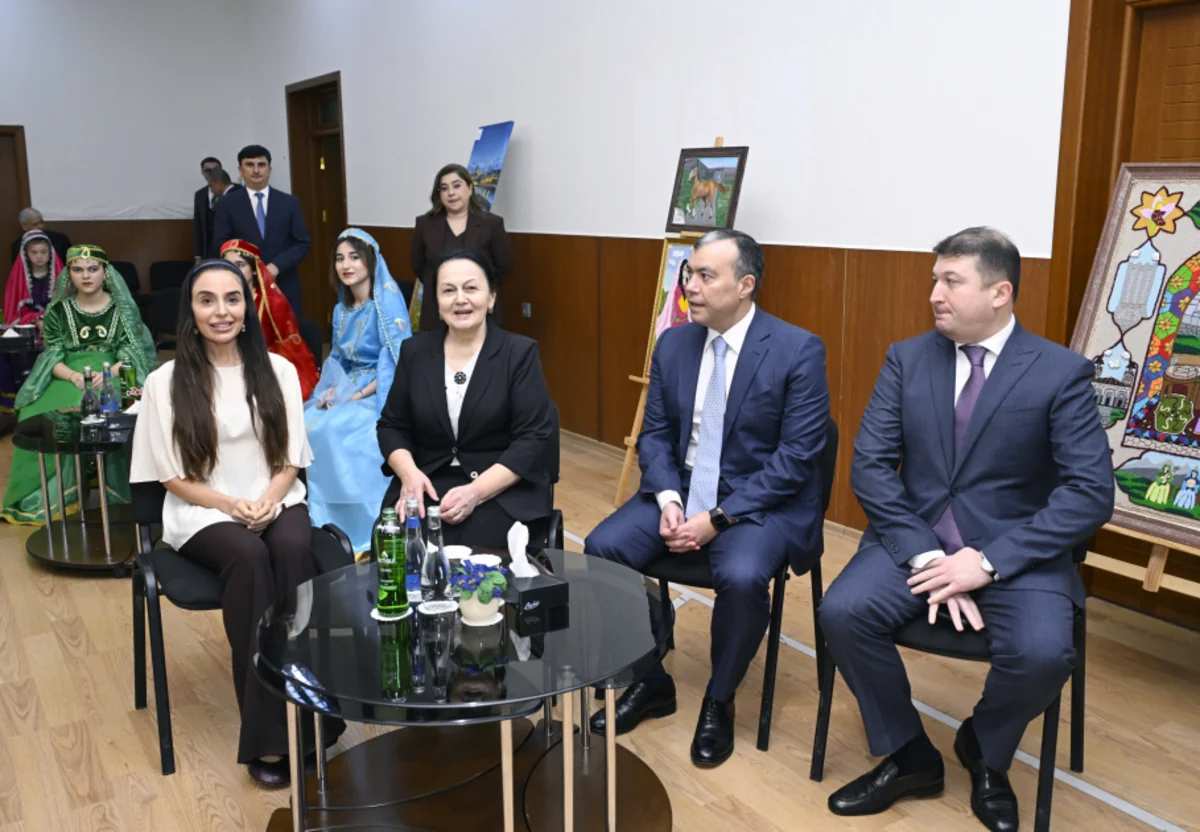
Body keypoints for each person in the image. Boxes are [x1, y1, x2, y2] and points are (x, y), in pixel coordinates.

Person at [819, 227, 1114, 832]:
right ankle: (910, 755)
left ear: (1000, 292)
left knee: (1044, 654)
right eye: (935, 279)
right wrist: (926, 555)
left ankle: (984, 747)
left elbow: (1090, 494)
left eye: (951, 281)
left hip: (1015, 553)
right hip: (915, 541)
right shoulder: (907, 359)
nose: (934, 293)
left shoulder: (1060, 372)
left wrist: (985, 561)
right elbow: (870, 467)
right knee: (842, 613)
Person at [584, 229, 830, 767]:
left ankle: (720, 697)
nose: (689, 287)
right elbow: (654, 434)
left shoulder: (797, 349)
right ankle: (649, 678)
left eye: (704, 276)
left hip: (757, 501)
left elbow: (797, 458)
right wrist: (670, 498)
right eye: (688, 274)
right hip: (683, 486)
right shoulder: (674, 344)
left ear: (745, 285)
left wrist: (718, 517)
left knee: (741, 576)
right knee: (602, 548)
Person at [129, 258, 337, 786]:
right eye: (207, 300)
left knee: (293, 551)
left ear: (248, 307)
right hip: (203, 510)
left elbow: (292, 459)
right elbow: (171, 477)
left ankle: (313, 714)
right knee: (248, 557)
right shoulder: (164, 381)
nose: (221, 311)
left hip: (276, 497)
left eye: (233, 298)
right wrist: (230, 506)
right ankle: (270, 736)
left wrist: (267, 499)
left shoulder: (279, 370)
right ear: (190, 310)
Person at [378, 248, 552, 548]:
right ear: (437, 301)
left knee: (476, 552)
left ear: (491, 297)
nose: (460, 299)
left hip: (499, 488)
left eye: (471, 288)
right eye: (448, 290)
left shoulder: (519, 354)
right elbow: (392, 425)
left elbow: (533, 440)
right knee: (397, 546)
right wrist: (409, 475)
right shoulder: (415, 352)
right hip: (427, 481)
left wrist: (475, 492)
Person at [1, 245, 156, 524]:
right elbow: (53, 355)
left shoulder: (121, 308)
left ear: (104, 272)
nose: (86, 275)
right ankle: (55, 494)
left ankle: (121, 493)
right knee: (36, 412)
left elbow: (131, 351)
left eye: (93, 269)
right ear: (69, 273)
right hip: (69, 373)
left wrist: (109, 374)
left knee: (121, 412)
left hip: (115, 372)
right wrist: (72, 376)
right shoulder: (58, 310)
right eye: (78, 269)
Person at [304, 228, 411, 553]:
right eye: (339, 258)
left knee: (335, 431)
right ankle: (316, 521)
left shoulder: (384, 308)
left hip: (378, 391)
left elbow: (395, 361)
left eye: (354, 257)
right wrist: (329, 390)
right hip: (348, 387)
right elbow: (338, 358)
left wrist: (358, 396)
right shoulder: (342, 310)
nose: (346, 265)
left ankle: (359, 525)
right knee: (305, 423)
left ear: (371, 261)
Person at [410, 164, 512, 331]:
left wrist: (477, 288)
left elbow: (503, 266)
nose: (451, 193)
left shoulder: (491, 224)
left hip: (479, 306)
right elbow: (418, 264)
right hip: (437, 307)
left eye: (456, 186)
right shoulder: (425, 224)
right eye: (444, 188)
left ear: (470, 189)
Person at [212, 145, 311, 315]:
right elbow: (221, 243)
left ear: (269, 169)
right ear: (240, 170)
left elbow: (302, 244)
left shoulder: (289, 203)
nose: (256, 170)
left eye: (261, 164)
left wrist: (276, 267)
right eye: (250, 165)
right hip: (244, 285)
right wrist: (246, 267)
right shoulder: (227, 204)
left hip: (284, 283)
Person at [220, 239, 318, 399]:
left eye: (240, 265)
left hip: (264, 367)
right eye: (228, 266)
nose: (234, 272)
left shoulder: (271, 302)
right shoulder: (219, 302)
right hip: (226, 365)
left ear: (254, 269)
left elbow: (286, 346)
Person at [5, 230, 63, 327]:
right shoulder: (19, 279)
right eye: (34, 252)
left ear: (50, 252)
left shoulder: (60, 275)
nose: (39, 256)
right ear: (26, 254)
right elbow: (17, 310)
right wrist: (37, 320)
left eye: (44, 252)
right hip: (28, 324)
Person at [193, 156, 223, 261]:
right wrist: (197, 256)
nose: (212, 174)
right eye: (207, 171)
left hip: (230, 248)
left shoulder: (235, 191)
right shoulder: (200, 195)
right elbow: (198, 227)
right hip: (208, 251)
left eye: (215, 170)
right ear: (202, 172)